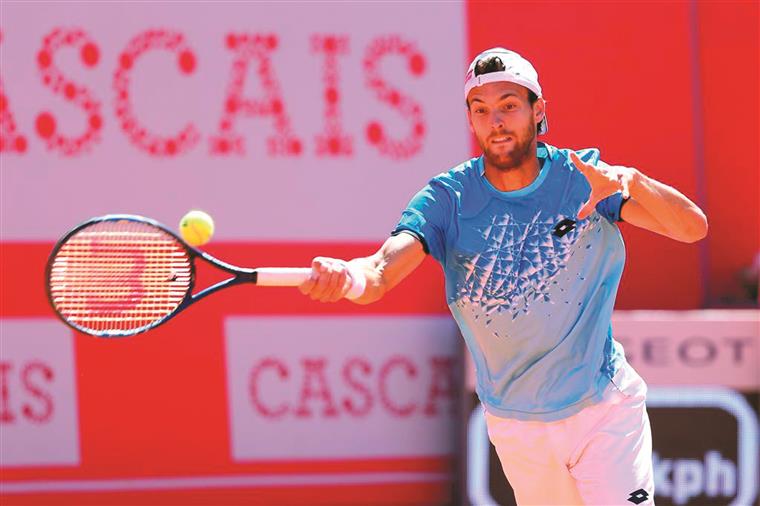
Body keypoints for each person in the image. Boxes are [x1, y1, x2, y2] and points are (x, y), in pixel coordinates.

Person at [299, 47, 708, 505]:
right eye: (482, 110)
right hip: (517, 426)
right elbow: (378, 272)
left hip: (603, 409)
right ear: (471, 120)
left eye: (510, 106)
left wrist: (630, 181)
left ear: (539, 112)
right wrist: (345, 275)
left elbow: (692, 228)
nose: (496, 120)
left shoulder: (584, 178)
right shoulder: (447, 198)